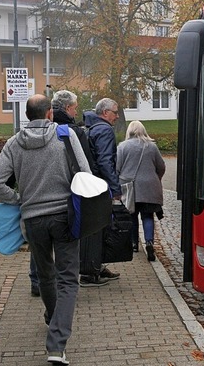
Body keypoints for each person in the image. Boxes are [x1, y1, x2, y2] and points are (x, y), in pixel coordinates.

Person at [0, 94, 91, 366]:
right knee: (68, 280)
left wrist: (17, 199)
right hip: (65, 217)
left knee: (46, 275)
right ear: (49, 114)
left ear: (27, 116)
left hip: (32, 220)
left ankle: (53, 318)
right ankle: (56, 345)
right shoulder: (66, 135)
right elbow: (85, 174)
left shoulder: (13, 143)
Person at [80, 98, 123, 285]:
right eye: (115, 112)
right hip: (100, 186)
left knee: (94, 228)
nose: (117, 116)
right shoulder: (104, 130)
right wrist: (115, 188)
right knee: (99, 228)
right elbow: (106, 161)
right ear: (105, 113)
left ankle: (95, 266)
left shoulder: (90, 129)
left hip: (90, 185)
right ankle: (91, 272)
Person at [116, 121, 166, 261]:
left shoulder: (122, 147)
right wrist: (156, 178)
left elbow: (117, 168)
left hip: (130, 188)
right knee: (148, 216)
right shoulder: (152, 146)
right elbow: (161, 166)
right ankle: (149, 242)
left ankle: (133, 244)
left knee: (132, 216)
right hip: (149, 187)